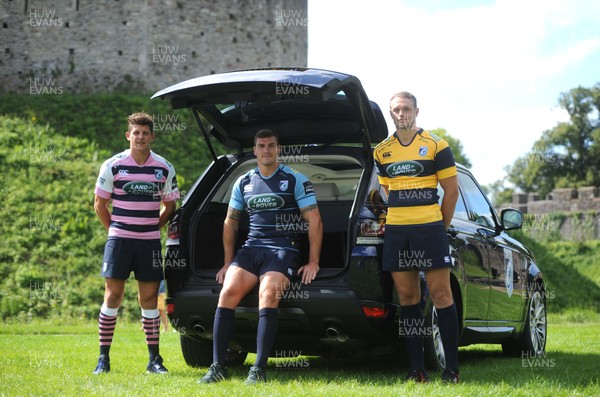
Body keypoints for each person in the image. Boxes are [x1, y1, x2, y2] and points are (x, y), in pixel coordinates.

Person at [198, 128, 323, 385]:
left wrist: (313, 262)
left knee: (268, 293)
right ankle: (217, 366)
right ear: (254, 150)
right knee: (227, 292)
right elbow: (230, 223)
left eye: (271, 145)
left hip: (283, 249)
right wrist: (227, 262)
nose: (266, 150)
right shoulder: (243, 181)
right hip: (251, 248)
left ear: (278, 149)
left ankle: (258, 369)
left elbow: (315, 220)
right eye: (261, 146)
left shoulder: (295, 179)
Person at [373, 92, 460, 383]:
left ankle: (452, 370)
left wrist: (440, 227)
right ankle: (416, 369)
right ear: (391, 114)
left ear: (416, 111)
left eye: (406, 109)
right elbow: (387, 191)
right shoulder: (381, 151)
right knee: (408, 298)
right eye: (396, 110)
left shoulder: (437, 145)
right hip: (398, 233)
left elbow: (451, 192)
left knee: (441, 296)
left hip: (430, 229)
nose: (401, 114)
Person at [92, 112, 180, 374]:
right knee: (113, 296)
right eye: (136, 133)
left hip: (149, 243)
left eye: (145, 133)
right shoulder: (113, 165)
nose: (140, 137)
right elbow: (100, 204)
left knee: (150, 299)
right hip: (119, 241)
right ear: (128, 135)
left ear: (152, 136)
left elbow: (170, 204)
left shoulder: (164, 167)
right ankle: (103, 360)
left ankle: (154, 361)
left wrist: (154, 227)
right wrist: (116, 230)